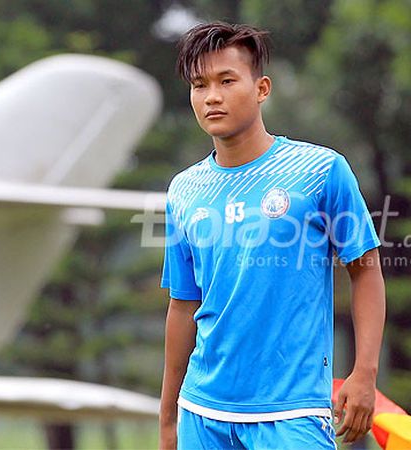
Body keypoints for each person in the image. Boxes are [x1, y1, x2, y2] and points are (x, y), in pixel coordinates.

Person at [159, 21, 386, 449]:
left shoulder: (320, 171)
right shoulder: (183, 191)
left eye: (227, 81)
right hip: (202, 413)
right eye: (199, 84)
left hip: (292, 413)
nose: (212, 96)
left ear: (262, 88)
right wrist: (168, 419)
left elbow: (366, 271)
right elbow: (182, 306)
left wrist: (364, 372)